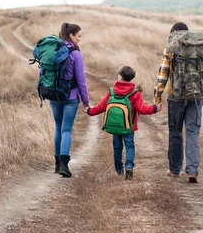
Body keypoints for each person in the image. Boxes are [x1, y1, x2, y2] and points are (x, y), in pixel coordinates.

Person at [154, 22, 203, 183]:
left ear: (173, 33)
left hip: (175, 98)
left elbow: (162, 76)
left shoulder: (171, 48)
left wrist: (157, 98)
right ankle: (193, 171)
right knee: (193, 133)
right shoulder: (199, 47)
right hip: (196, 97)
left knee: (176, 133)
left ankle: (174, 170)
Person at [87, 66, 161, 180]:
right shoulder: (135, 93)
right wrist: (155, 108)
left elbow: (101, 107)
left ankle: (119, 169)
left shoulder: (112, 92)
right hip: (128, 127)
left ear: (120, 76)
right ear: (131, 78)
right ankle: (129, 167)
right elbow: (142, 109)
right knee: (130, 147)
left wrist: (89, 111)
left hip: (115, 126)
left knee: (117, 148)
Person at [50, 22, 91, 178]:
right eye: (79, 36)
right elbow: (81, 80)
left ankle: (56, 164)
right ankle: (63, 165)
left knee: (58, 127)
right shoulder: (75, 54)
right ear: (71, 35)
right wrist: (86, 101)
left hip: (53, 96)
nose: (80, 39)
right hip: (70, 97)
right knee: (66, 129)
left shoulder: (53, 50)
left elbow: (41, 73)